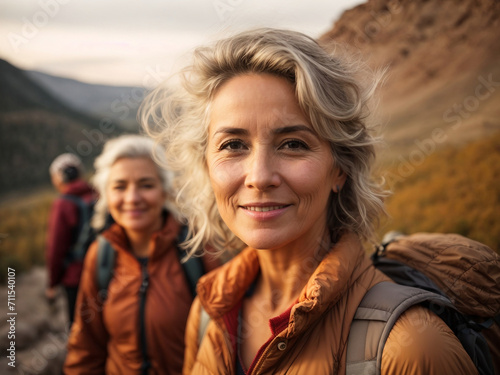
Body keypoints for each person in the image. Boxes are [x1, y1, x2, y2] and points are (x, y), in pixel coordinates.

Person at [141, 28, 478, 374]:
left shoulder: (412, 348)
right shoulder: (208, 312)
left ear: (340, 170)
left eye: (293, 144)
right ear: (206, 164)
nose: (259, 176)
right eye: (233, 145)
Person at [64, 135, 219, 375]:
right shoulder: (101, 255)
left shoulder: (196, 250)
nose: (132, 198)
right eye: (120, 186)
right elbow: (86, 345)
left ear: (165, 192)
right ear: (106, 195)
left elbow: (224, 342)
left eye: (146, 185)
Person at [46, 153, 94, 326]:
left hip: (75, 276)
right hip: (103, 270)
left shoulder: (63, 204)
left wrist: (52, 283)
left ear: (59, 178)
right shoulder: (97, 195)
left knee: (78, 326)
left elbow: (56, 249)